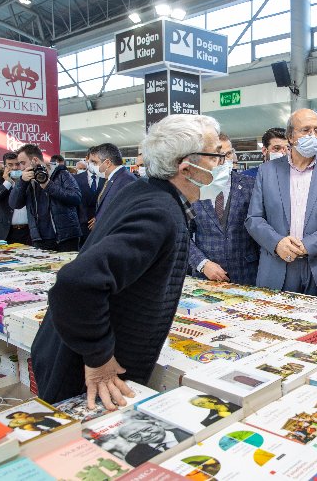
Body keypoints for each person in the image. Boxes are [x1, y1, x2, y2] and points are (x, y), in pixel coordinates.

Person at [31, 114, 222, 406]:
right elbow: (75, 283)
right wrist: (99, 358)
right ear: (186, 166)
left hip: (71, 350)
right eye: (215, 156)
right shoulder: (159, 212)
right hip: (81, 373)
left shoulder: (143, 191)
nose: (221, 164)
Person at [246, 108, 317, 295]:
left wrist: (307, 245)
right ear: (290, 136)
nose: (313, 135)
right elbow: (253, 218)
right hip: (277, 265)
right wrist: (277, 243)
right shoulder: (267, 171)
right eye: (305, 130)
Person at [188, 136, 259, 286]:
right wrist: (202, 263)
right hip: (206, 277)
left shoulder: (251, 186)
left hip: (246, 274)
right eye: (217, 156)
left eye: (228, 154)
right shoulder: (192, 188)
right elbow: (181, 234)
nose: (224, 160)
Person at [9, 144, 82, 252]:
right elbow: (14, 204)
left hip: (65, 237)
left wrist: (48, 185)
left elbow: (76, 198)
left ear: (34, 159)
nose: (21, 167)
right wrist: (22, 182)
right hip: (39, 239)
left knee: (68, 268)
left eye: (22, 163)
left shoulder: (61, 174)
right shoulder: (26, 180)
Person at [0, 152, 31, 244]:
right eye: (10, 165)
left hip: (28, 231)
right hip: (5, 231)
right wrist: (7, 182)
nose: (14, 168)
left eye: (17, 164)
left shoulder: (29, 179)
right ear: (5, 166)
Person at [90, 143, 136, 225]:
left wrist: (101, 224)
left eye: (95, 162)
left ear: (107, 163)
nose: (93, 166)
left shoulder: (126, 180)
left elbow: (124, 214)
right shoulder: (112, 178)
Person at [74, 153, 105, 247]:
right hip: (81, 226)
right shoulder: (75, 179)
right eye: (92, 161)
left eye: (97, 162)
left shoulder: (107, 179)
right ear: (87, 159)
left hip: (101, 226)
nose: (95, 165)